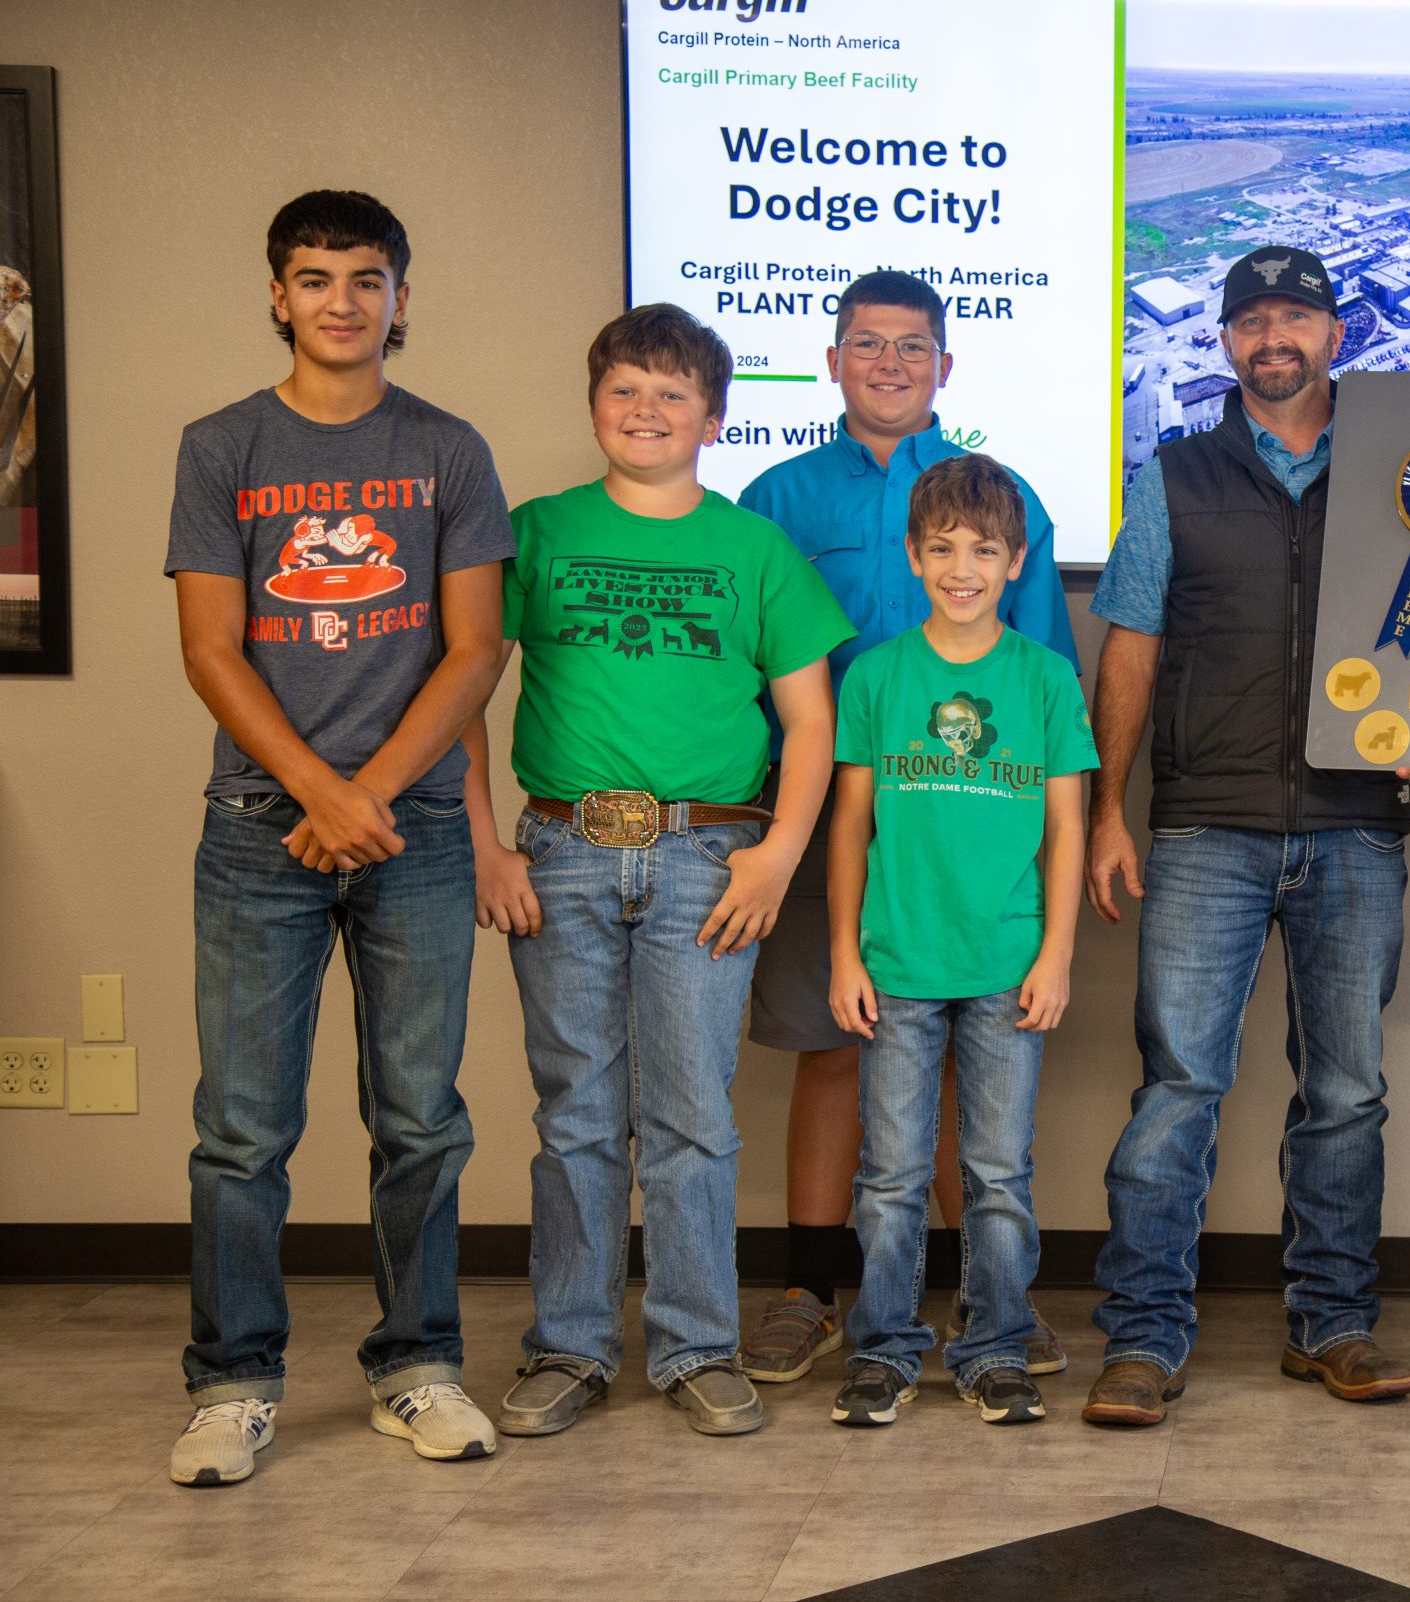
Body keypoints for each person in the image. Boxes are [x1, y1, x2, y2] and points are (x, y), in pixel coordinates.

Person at [164, 189, 514, 1486]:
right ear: (277, 295)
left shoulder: (448, 450)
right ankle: (234, 1380)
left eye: (366, 279)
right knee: (243, 1128)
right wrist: (321, 790)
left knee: (420, 1116)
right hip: (262, 829)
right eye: (314, 279)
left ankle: (418, 1364)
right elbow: (212, 649)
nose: (342, 302)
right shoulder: (223, 446)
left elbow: (475, 651)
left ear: (401, 297)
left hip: (413, 831)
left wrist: (370, 795)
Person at [463, 303, 851, 1439]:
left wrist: (779, 851)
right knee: (576, 1111)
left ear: (714, 420)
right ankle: (570, 1349)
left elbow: (811, 722)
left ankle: (694, 1347)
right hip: (562, 852)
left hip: (706, 858)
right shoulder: (533, 533)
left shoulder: (753, 549)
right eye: (625, 391)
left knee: (692, 1116)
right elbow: (461, 694)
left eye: (672, 395)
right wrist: (488, 845)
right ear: (594, 406)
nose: (647, 412)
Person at [1082, 244, 1410, 1428]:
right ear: (1224, 341)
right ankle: (1141, 1338)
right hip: (1202, 831)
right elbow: (1127, 647)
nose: (1273, 338)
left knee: (1345, 1093)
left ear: (1337, 333)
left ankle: (1332, 1323)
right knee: (1178, 1087)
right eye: (1251, 321)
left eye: (1297, 317)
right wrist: (1105, 817)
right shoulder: (1172, 476)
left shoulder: (1402, 465)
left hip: (1355, 825)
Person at [735, 272, 1079, 1385]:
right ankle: (810, 1292)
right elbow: (749, 673)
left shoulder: (1002, 494)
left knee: (960, 1082)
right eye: (866, 344)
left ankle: (987, 1305)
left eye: (913, 346)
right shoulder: (778, 500)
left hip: (967, 837)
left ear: (946, 365)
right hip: (831, 822)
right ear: (830, 361)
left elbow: (1043, 687)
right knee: (840, 1046)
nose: (890, 362)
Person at [825, 456, 1096, 1429]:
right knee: (891, 1173)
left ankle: (993, 1345)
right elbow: (849, 823)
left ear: (1016, 561)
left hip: (1006, 964)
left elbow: (1068, 827)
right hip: (896, 961)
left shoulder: (1046, 679)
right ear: (912, 555)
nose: (962, 567)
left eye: (983, 549)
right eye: (941, 548)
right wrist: (844, 955)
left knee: (997, 1173)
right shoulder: (878, 674)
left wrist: (1057, 953)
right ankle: (885, 1348)